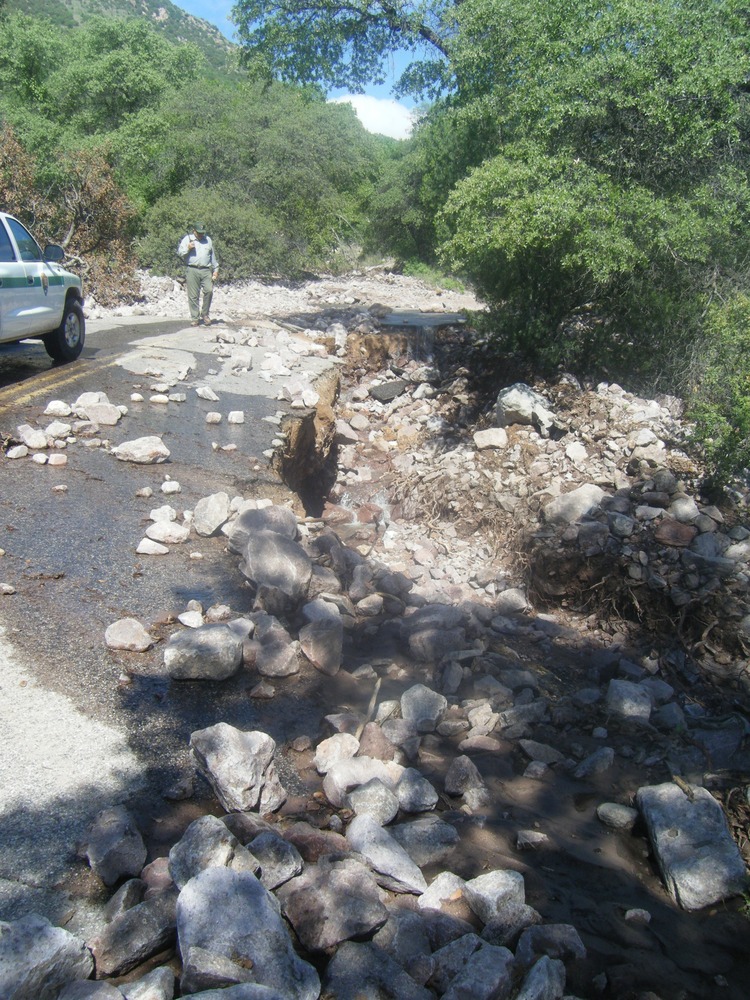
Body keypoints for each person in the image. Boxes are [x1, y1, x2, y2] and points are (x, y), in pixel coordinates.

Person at [177, 222, 219, 325]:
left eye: (202, 233)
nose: (200, 235)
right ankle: (195, 318)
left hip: (205, 270)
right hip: (192, 269)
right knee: (193, 295)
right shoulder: (187, 239)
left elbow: (212, 256)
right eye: (198, 233)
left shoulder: (208, 240)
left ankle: (205, 314)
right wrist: (188, 248)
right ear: (194, 231)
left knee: (209, 291)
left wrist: (216, 269)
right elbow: (180, 253)